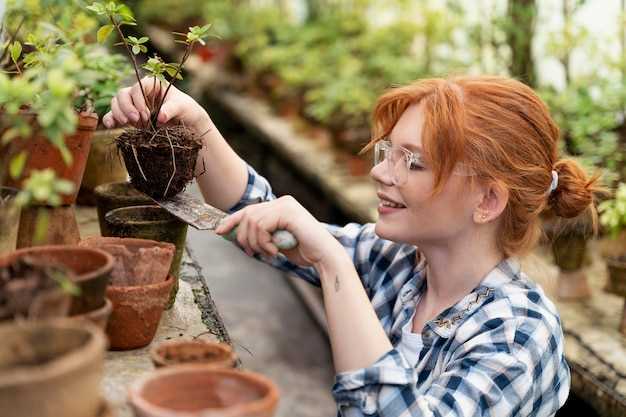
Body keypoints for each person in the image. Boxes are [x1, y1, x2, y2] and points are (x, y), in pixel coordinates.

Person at [104, 75, 602, 416]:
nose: (381, 173)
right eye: (389, 152)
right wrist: (194, 121)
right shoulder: (405, 264)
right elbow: (257, 217)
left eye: (414, 162)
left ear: (488, 199)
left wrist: (333, 264)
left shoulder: (518, 333)